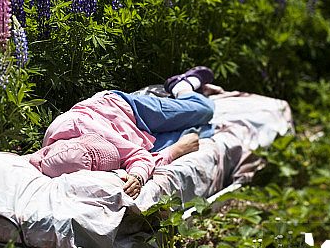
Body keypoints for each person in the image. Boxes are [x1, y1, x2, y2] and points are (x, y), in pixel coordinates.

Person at [28, 66, 223, 199]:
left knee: (205, 110)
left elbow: (139, 157)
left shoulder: (91, 131)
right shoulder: (52, 157)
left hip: (128, 111)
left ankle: (182, 85)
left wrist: (138, 176)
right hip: (133, 138)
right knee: (202, 132)